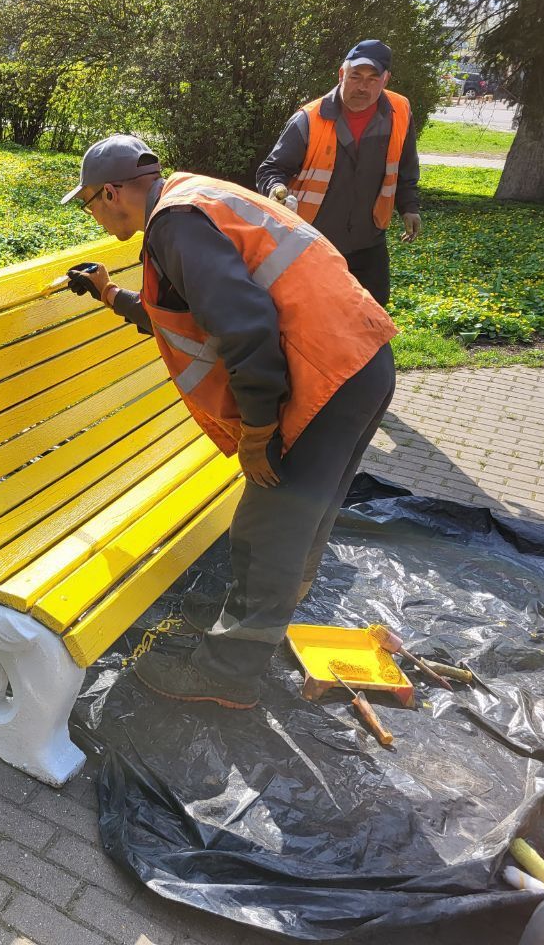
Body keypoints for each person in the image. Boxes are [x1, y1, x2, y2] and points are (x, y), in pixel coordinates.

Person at [62, 133, 397, 709]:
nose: (93, 214)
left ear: (112, 192)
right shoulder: (193, 198)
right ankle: (261, 630)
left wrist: (260, 432)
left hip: (323, 381)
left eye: (90, 202)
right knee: (305, 516)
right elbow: (190, 314)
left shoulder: (173, 226)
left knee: (270, 529)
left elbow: (246, 328)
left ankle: (230, 673)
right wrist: (112, 295)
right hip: (360, 358)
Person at [257, 39, 421, 307]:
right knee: (311, 323)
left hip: (369, 244)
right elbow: (271, 169)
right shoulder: (310, 118)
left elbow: (405, 167)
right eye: (356, 76)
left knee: (371, 320)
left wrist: (409, 207)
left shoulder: (399, 112)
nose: (363, 86)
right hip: (312, 244)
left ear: (386, 79)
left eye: (372, 78)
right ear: (342, 74)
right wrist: (276, 189)